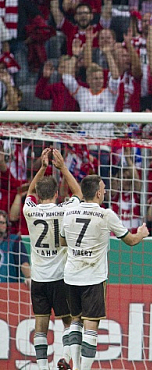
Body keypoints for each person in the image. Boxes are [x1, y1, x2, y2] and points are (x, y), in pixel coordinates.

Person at [60, 175, 149, 370]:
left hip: (71, 275)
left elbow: (62, 242)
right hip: (93, 277)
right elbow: (131, 241)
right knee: (91, 326)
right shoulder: (106, 214)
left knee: (75, 321)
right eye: (104, 189)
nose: (106, 192)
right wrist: (141, 233)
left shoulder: (68, 211)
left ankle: (74, 366)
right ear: (99, 192)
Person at [23, 148, 83, 370]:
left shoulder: (30, 210)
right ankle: (66, 359)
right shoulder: (63, 210)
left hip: (38, 279)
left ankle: (42, 368)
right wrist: (63, 168)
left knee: (41, 326)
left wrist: (42, 168)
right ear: (57, 193)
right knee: (68, 322)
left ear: (38, 196)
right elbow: (79, 195)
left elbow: (29, 191)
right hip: (59, 277)